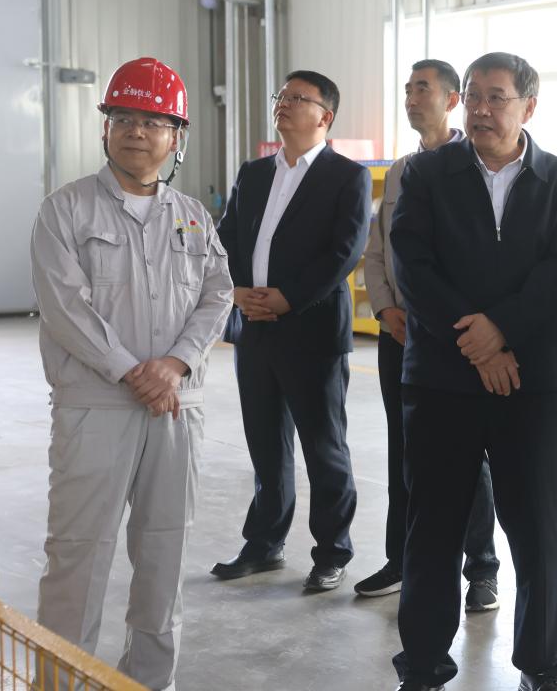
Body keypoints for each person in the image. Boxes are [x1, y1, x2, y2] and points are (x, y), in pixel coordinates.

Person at [31, 57, 233, 690]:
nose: (136, 132)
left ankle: (150, 681)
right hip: (95, 409)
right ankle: (61, 682)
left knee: (165, 554)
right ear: (105, 129)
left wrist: (175, 365)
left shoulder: (193, 217)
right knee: (77, 555)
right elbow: (65, 307)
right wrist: (130, 371)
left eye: (152, 121)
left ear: (177, 137)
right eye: (123, 118)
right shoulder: (65, 211)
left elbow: (217, 295)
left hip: (175, 408)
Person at [389, 52, 557, 691]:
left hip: (526, 383)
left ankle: (541, 664)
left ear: (529, 107)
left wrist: (501, 333)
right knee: (434, 529)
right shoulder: (427, 174)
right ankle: (423, 666)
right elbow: (413, 265)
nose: (480, 109)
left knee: (536, 529)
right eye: (472, 96)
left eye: (496, 97)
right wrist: (479, 344)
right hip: (441, 381)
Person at [212, 70, 371, 592]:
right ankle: (264, 544)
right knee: (265, 446)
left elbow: (344, 251)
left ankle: (332, 551)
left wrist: (289, 297)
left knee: (324, 448)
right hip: (254, 329)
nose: (283, 103)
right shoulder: (254, 173)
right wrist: (238, 291)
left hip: (312, 332)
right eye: (281, 95)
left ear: (325, 116)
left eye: (298, 98)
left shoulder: (346, 176)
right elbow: (227, 237)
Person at [356, 59, 500, 611]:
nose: (412, 98)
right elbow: (378, 252)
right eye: (408, 89)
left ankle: (481, 568)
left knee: (471, 453)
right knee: (406, 450)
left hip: (457, 337)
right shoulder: (401, 171)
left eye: (423, 88)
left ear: (453, 99)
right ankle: (402, 559)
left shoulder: (477, 166)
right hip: (401, 335)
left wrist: (442, 317)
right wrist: (386, 310)